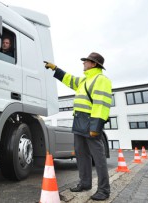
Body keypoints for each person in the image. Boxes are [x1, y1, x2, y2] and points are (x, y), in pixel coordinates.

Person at [44, 52, 112, 201]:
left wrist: (96, 127)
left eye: (86, 61)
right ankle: (85, 183)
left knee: (98, 159)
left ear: (94, 64)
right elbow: (70, 80)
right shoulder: (85, 81)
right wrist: (56, 69)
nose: (83, 63)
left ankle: (104, 190)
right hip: (79, 122)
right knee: (81, 155)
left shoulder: (101, 80)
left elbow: (102, 105)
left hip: (91, 122)